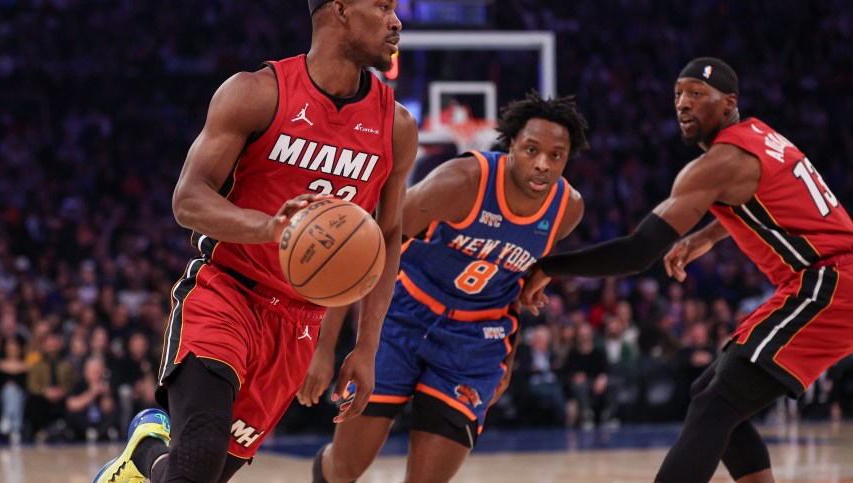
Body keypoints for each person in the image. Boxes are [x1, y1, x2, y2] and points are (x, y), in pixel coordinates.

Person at [94, 0, 417, 481]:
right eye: (382, 6)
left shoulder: (396, 126)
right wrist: (268, 228)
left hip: (299, 324)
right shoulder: (256, 93)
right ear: (341, 10)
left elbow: (388, 238)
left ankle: (144, 457)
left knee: (196, 474)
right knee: (197, 464)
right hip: (228, 294)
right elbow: (188, 200)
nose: (396, 21)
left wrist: (365, 348)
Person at [520, 57, 853, 482]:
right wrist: (709, 236)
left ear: (729, 101)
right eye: (678, 93)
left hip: (830, 282)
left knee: (717, 406)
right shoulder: (761, 135)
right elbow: (768, 199)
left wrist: (550, 265)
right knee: (708, 398)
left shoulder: (720, 162)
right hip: (828, 279)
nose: (682, 103)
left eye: (697, 94)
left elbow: (638, 252)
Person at [302, 91, 589, 483]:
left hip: (475, 338)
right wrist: (325, 348)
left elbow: (518, 284)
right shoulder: (462, 182)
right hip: (404, 314)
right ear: (511, 146)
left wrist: (509, 357)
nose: (542, 164)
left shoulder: (567, 209)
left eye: (556, 156)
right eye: (531, 150)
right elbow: (361, 246)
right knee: (345, 468)